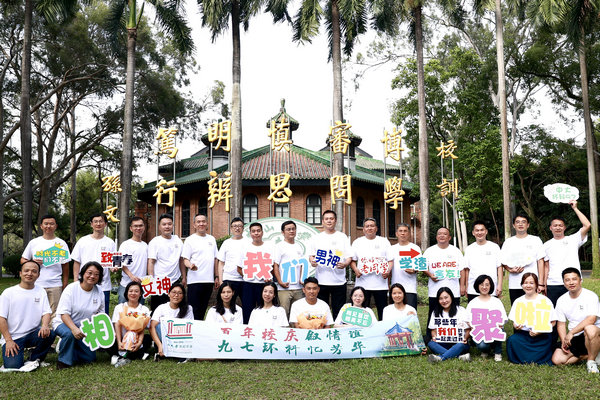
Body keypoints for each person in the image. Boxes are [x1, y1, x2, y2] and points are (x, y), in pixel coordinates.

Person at [0, 260, 55, 370]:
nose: (29, 273)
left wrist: (45, 325)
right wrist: (8, 340)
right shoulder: (8, 293)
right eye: (26, 271)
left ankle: (35, 358)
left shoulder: (41, 291)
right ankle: (16, 354)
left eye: (34, 271)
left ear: (38, 275)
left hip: (32, 334)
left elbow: (46, 312)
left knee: (50, 333)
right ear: (20, 273)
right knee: (13, 366)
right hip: (13, 337)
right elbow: (2, 318)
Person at [53, 261, 105, 369]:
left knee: (89, 358)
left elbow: (100, 314)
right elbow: (64, 314)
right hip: (64, 323)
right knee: (69, 334)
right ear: (83, 273)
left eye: (96, 274)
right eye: (89, 273)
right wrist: (74, 329)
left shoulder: (99, 291)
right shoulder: (71, 289)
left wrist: (99, 332)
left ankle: (70, 346)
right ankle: (63, 361)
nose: (92, 276)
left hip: (85, 327)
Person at [551, 268, 600, 373]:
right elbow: (561, 324)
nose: (571, 282)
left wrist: (571, 333)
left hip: (593, 333)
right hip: (576, 337)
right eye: (567, 280)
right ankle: (592, 354)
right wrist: (564, 340)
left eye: (574, 279)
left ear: (580, 280)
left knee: (589, 329)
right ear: (564, 283)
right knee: (557, 360)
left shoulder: (590, 296)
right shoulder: (561, 300)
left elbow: (591, 319)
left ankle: (591, 362)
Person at [20, 214, 70, 317]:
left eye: (51, 224)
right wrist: (32, 262)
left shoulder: (61, 243)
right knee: (34, 312)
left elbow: (65, 266)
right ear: (41, 226)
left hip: (55, 284)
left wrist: (65, 284)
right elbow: (22, 260)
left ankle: (51, 328)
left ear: (56, 226)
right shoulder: (34, 242)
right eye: (46, 224)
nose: (48, 226)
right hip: (35, 283)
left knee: (54, 314)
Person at [542, 200, 591, 306]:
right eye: (555, 225)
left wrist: (575, 208)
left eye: (560, 225)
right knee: (554, 312)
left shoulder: (573, 239)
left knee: (575, 310)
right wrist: (544, 284)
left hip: (572, 282)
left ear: (564, 227)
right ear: (550, 228)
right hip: (553, 284)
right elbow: (546, 267)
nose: (558, 227)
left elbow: (587, 225)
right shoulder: (546, 245)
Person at [423, 227, 465, 341]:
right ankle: (430, 336)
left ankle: (455, 336)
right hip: (435, 290)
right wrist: (430, 275)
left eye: (445, 234)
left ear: (449, 237)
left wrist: (462, 286)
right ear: (436, 237)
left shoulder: (456, 251)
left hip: (453, 290)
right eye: (439, 234)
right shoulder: (429, 251)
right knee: (433, 314)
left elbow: (462, 270)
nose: (442, 236)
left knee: (454, 314)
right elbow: (422, 266)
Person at [308, 210, 352, 319]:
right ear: (323, 221)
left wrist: (345, 264)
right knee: (322, 312)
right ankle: (323, 329)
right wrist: (312, 262)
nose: (329, 221)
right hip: (321, 281)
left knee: (339, 312)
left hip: (339, 281)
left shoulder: (342, 237)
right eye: (326, 219)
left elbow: (349, 256)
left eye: (331, 219)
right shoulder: (317, 238)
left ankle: (339, 329)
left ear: (335, 221)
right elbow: (311, 255)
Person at [506, 273, 556, 365]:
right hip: (524, 335)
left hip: (542, 336)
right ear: (522, 285)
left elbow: (553, 322)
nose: (528, 285)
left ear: (536, 285)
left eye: (531, 283)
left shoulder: (545, 301)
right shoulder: (518, 301)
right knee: (512, 340)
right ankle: (527, 358)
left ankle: (534, 358)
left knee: (547, 343)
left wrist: (539, 331)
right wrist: (516, 326)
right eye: (525, 283)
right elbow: (514, 321)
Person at [71, 213, 116, 314]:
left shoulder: (110, 242)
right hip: (84, 283)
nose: (98, 224)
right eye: (95, 221)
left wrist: (113, 268)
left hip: (103, 284)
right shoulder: (83, 241)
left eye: (101, 221)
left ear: (105, 224)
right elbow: (76, 262)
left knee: (102, 313)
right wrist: (75, 280)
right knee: (82, 311)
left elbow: (111, 263)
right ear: (91, 224)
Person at [350, 218, 391, 320]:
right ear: (363, 229)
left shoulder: (384, 241)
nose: (370, 228)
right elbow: (352, 260)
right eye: (367, 226)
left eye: (372, 226)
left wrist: (387, 271)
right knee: (362, 311)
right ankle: (362, 329)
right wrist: (356, 270)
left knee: (383, 311)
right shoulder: (357, 242)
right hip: (363, 283)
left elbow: (390, 260)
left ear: (376, 228)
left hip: (380, 284)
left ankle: (382, 328)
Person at [500, 214, 545, 305]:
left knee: (533, 309)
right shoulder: (508, 242)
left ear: (528, 225)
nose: (520, 224)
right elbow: (502, 260)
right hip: (515, 284)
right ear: (513, 225)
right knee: (517, 309)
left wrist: (540, 283)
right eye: (517, 222)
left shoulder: (536, 240)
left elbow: (540, 262)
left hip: (532, 283)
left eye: (523, 222)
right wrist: (510, 269)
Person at [182, 214, 219, 320]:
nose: (201, 224)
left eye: (203, 221)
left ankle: (199, 329)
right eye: (198, 222)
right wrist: (190, 265)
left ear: (207, 223)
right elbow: (185, 259)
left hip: (208, 280)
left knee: (203, 308)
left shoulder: (211, 239)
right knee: (193, 309)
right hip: (194, 281)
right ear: (194, 224)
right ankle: (192, 329)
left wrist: (216, 276)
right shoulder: (190, 240)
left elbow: (215, 259)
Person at [237, 222, 274, 324]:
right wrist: (248, 275)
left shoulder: (269, 247)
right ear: (250, 233)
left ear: (262, 232)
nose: (256, 233)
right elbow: (239, 268)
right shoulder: (245, 247)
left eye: (258, 231)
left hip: (264, 285)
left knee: (264, 310)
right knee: (248, 311)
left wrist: (269, 278)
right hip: (248, 285)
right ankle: (248, 331)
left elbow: (273, 266)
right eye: (253, 231)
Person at [147, 213, 185, 311]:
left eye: (169, 224)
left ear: (173, 225)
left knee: (175, 308)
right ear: (159, 226)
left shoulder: (178, 241)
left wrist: (184, 277)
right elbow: (151, 262)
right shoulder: (155, 242)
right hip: (159, 281)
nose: (167, 226)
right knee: (157, 309)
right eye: (164, 224)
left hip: (175, 280)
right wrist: (151, 280)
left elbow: (181, 260)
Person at [465, 275, 507, 361]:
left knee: (499, 330)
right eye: (482, 284)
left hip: (493, 330)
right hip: (480, 331)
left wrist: (499, 324)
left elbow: (503, 318)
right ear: (477, 286)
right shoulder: (473, 302)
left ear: (490, 286)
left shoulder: (496, 301)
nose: (484, 287)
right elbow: (467, 319)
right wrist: (472, 326)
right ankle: (486, 350)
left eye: (487, 285)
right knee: (482, 346)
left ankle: (497, 352)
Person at [110, 281, 152, 367]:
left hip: (136, 339)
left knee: (147, 339)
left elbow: (142, 328)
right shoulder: (119, 307)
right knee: (109, 342)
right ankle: (137, 354)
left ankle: (121, 355)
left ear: (140, 294)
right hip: (121, 338)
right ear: (126, 293)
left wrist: (139, 342)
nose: (133, 293)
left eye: (136, 291)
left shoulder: (144, 309)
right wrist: (119, 342)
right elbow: (117, 325)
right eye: (131, 291)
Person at [150, 283, 194, 360]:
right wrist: (160, 345)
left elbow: (190, 327)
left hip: (180, 338)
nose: (176, 295)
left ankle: (173, 353)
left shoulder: (188, 308)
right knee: (158, 326)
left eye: (180, 293)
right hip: (165, 338)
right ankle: (165, 350)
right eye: (174, 292)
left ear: (183, 296)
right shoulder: (161, 308)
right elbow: (152, 327)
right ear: (168, 294)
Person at [427, 287, 471, 362]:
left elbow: (468, 330)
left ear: (451, 297)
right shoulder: (435, 312)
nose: (444, 301)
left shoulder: (461, 310)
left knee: (460, 345)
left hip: (458, 343)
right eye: (441, 299)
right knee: (431, 343)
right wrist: (434, 337)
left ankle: (440, 358)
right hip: (443, 343)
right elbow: (433, 330)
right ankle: (459, 357)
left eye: (446, 297)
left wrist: (465, 338)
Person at [272, 220, 306, 317]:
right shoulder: (279, 246)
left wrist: (302, 279)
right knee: (284, 314)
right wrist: (280, 281)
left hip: (298, 288)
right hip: (284, 288)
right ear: (283, 232)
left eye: (293, 229)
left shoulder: (298, 246)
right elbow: (275, 265)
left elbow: (302, 264)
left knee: (298, 315)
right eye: (288, 229)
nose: (291, 231)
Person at [463, 221, 502, 302]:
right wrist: (467, 286)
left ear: (486, 231)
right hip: (473, 289)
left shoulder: (494, 247)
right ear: (473, 233)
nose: (479, 233)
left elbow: (499, 267)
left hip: (491, 288)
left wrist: (499, 285)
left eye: (482, 230)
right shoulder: (469, 249)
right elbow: (467, 269)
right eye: (477, 230)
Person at [386, 223, 422, 310]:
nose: (403, 233)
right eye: (400, 231)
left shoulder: (416, 248)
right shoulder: (391, 249)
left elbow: (421, 266)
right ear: (396, 233)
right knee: (395, 314)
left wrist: (414, 270)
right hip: (395, 288)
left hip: (410, 288)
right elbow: (389, 269)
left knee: (410, 314)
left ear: (409, 233)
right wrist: (388, 286)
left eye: (405, 231)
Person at [117, 217, 148, 304]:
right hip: (126, 284)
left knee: (139, 310)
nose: (138, 228)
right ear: (131, 228)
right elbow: (121, 263)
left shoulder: (145, 245)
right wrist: (131, 276)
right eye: (135, 226)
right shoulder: (126, 244)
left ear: (144, 227)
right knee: (123, 309)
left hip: (140, 285)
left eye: (140, 226)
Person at [217, 218, 246, 304]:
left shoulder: (248, 242)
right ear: (231, 228)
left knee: (247, 305)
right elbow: (221, 263)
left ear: (243, 228)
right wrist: (221, 281)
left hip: (244, 280)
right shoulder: (226, 243)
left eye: (239, 226)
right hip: (229, 279)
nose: (237, 228)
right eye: (235, 226)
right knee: (228, 305)